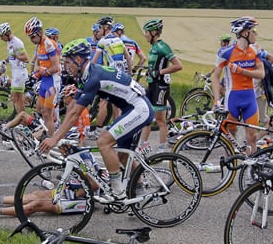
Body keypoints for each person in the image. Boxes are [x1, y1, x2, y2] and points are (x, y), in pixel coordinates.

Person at [39, 39, 154, 201]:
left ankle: (118, 192)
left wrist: (55, 138)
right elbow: (73, 107)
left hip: (139, 108)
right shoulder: (86, 75)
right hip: (131, 108)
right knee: (121, 155)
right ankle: (140, 187)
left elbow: (75, 114)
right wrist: (60, 135)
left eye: (67, 62)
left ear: (78, 60)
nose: (65, 66)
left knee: (103, 141)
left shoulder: (94, 78)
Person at [211, 16, 265, 155]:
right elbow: (215, 76)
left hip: (250, 98)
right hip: (233, 97)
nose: (256, 34)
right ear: (244, 33)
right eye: (254, 31)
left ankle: (250, 169)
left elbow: (261, 74)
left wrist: (242, 71)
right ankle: (231, 167)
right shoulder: (226, 52)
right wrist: (216, 99)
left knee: (252, 137)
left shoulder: (255, 50)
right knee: (230, 136)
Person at [138, 19, 183, 152]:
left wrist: (160, 72)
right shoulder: (153, 47)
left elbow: (178, 66)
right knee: (147, 115)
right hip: (152, 85)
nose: (145, 34)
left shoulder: (163, 46)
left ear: (153, 32)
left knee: (160, 119)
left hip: (161, 86)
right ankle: (142, 145)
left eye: (146, 32)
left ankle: (162, 148)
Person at [24, 16, 61, 136]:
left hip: (52, 81)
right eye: (30, 37)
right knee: (39, 109)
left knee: (47, 114)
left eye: (33, 36)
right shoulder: (39, 45)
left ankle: (49, 142)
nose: (31, 40)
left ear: (40, 32)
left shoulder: (49, 45)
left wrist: (43, 72)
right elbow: (42, 66)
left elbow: (56, 67)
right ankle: (51, 129)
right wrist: (34, 75)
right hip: (45, 81)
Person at [0, 22, 30, 116]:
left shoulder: (17, 43)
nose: (1, 38)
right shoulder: (9, 42)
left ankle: (23, 120)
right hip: (16, 72)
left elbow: (26, 59)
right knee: (18, 98)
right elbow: (11, 56)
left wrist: (16, 56)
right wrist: (4, 61)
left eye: (2, 36)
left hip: (19, 73)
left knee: (15, 98)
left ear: (7, 33)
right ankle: (23, 119)